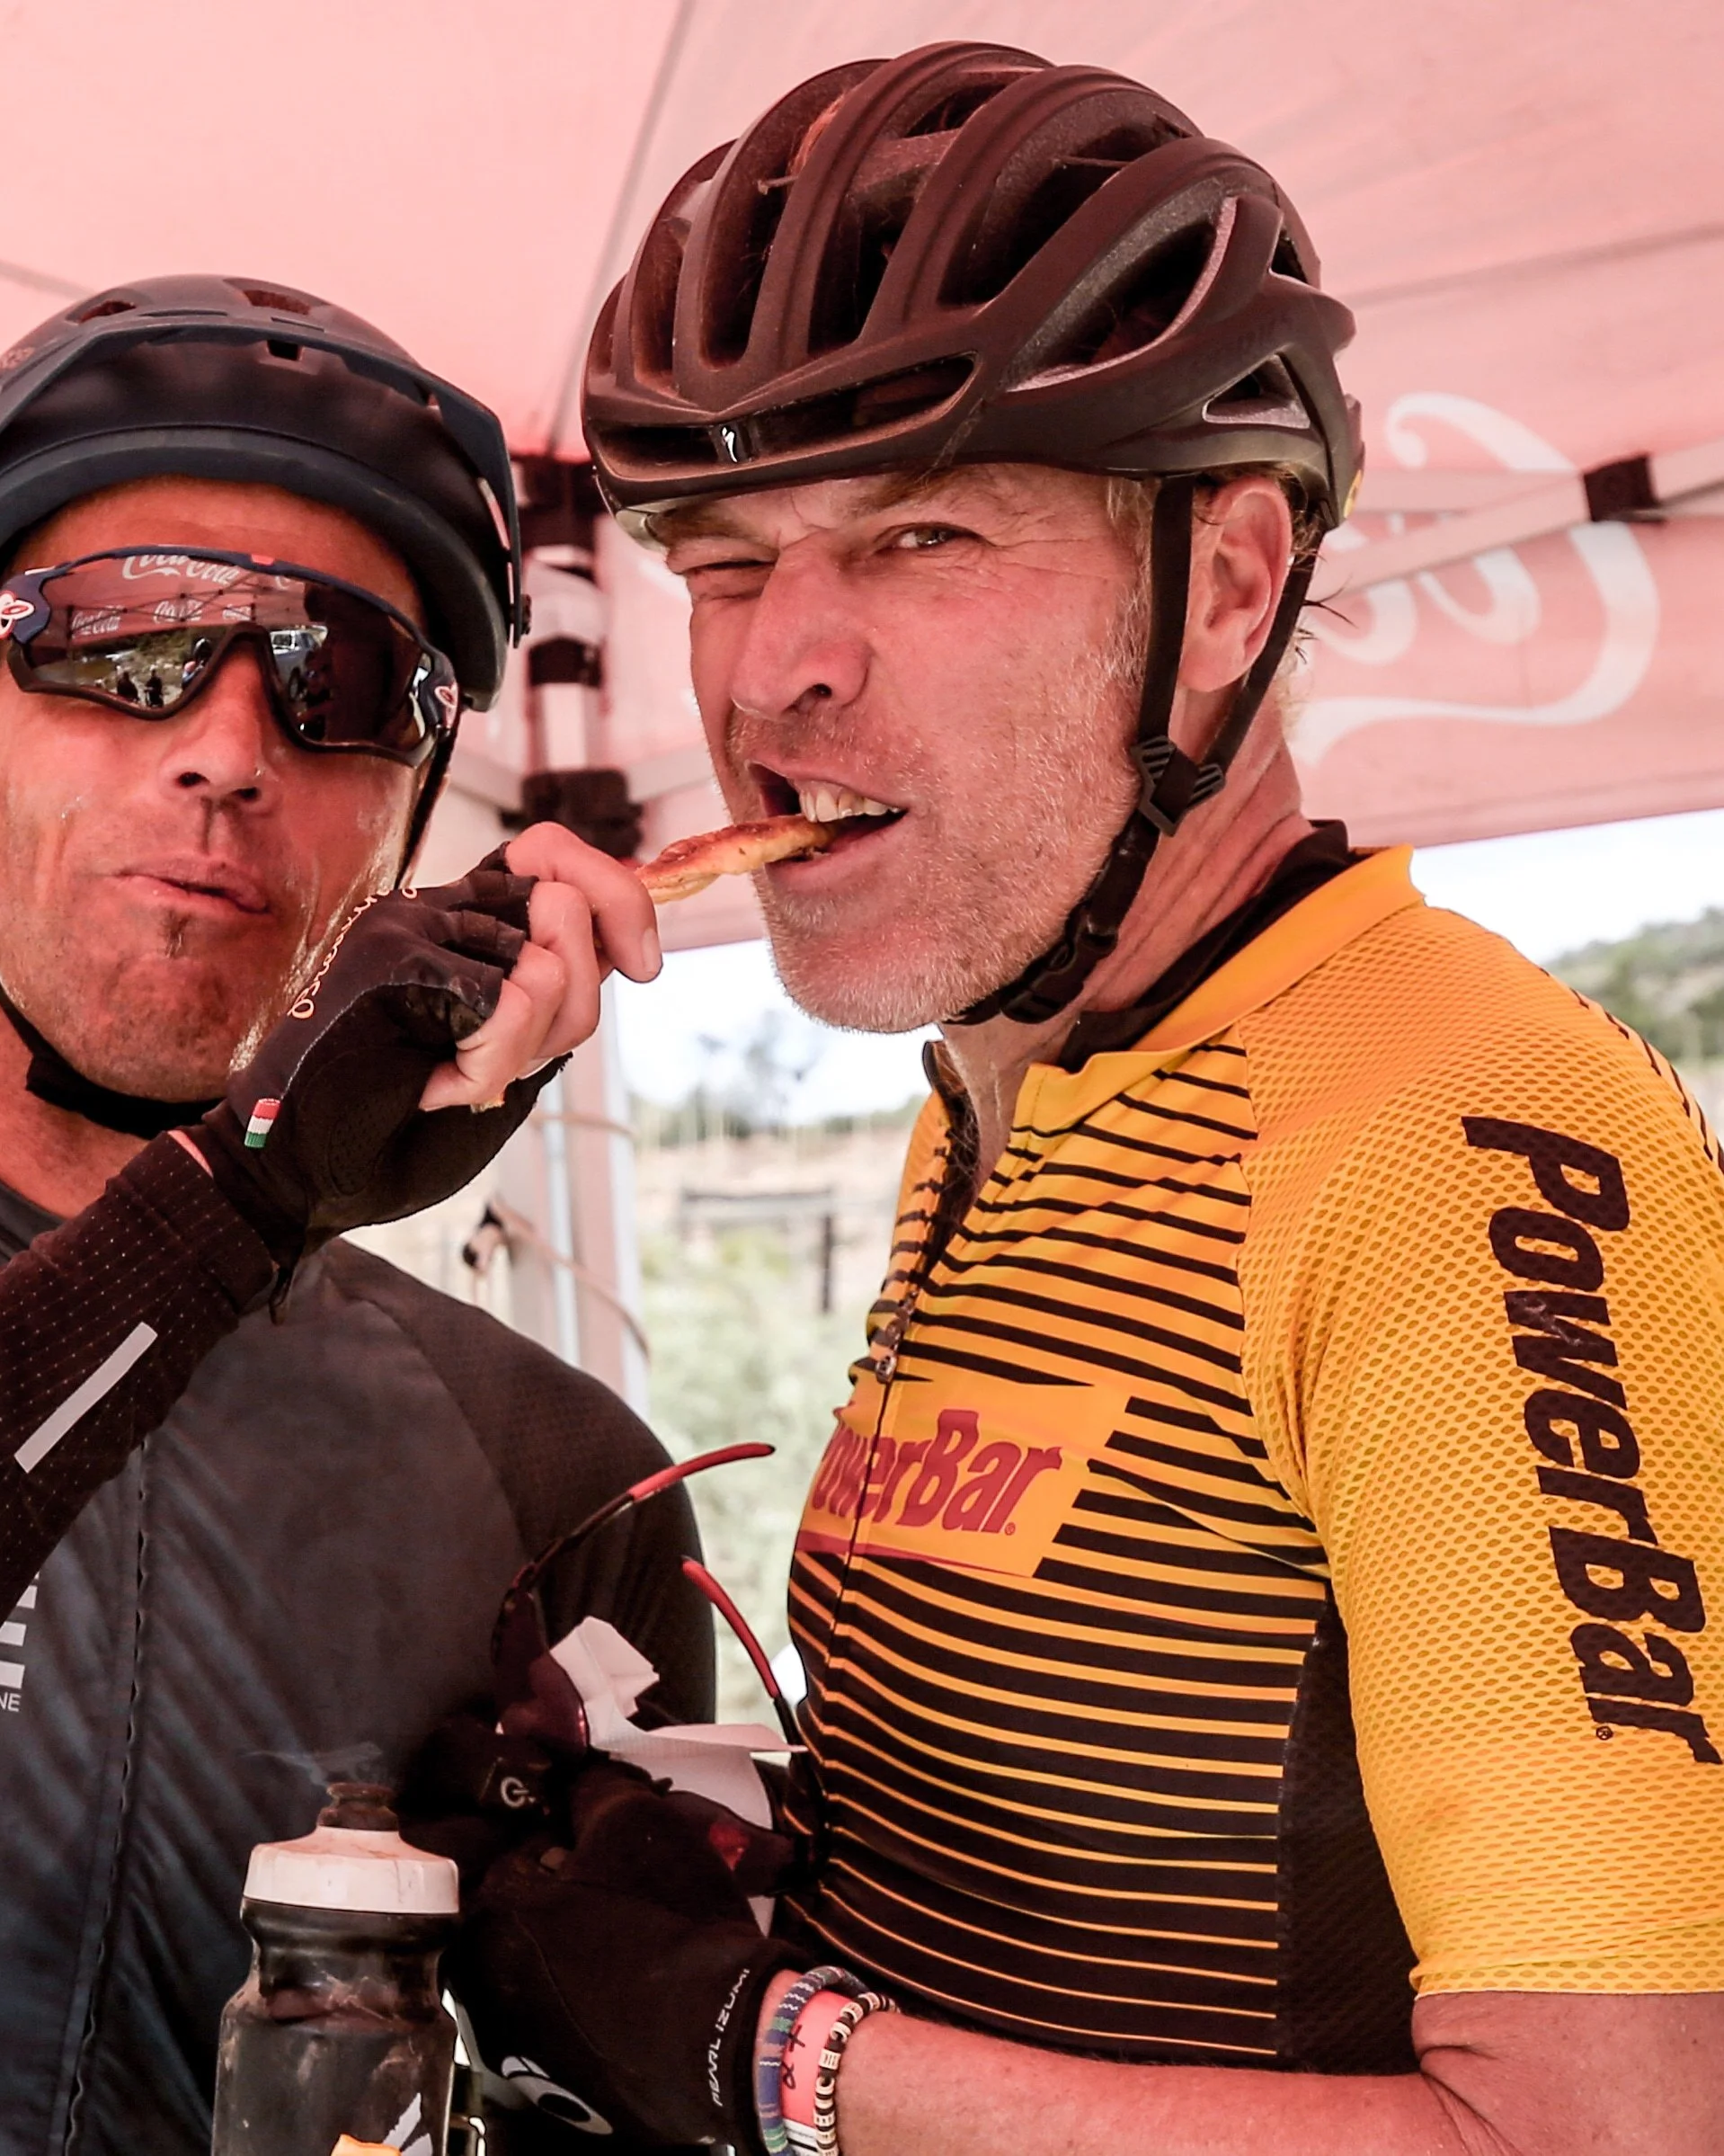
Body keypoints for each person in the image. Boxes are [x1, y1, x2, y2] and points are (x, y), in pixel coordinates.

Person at [451, 44, 1724, 2156]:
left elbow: (1603, 2132)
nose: (776, 672)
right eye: (727, 558)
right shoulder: (1005, 1078)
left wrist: (765, 2058)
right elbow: (1150, 1866)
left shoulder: (1460, 1143)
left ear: (1225, 584)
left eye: (918, 536)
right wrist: (722, 1851)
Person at [0, 274, 708, 2156]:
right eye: (123, 644)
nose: (230, 746)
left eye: (341, 684)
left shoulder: (561, 1472)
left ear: (411, 821)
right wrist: (233, 1204)